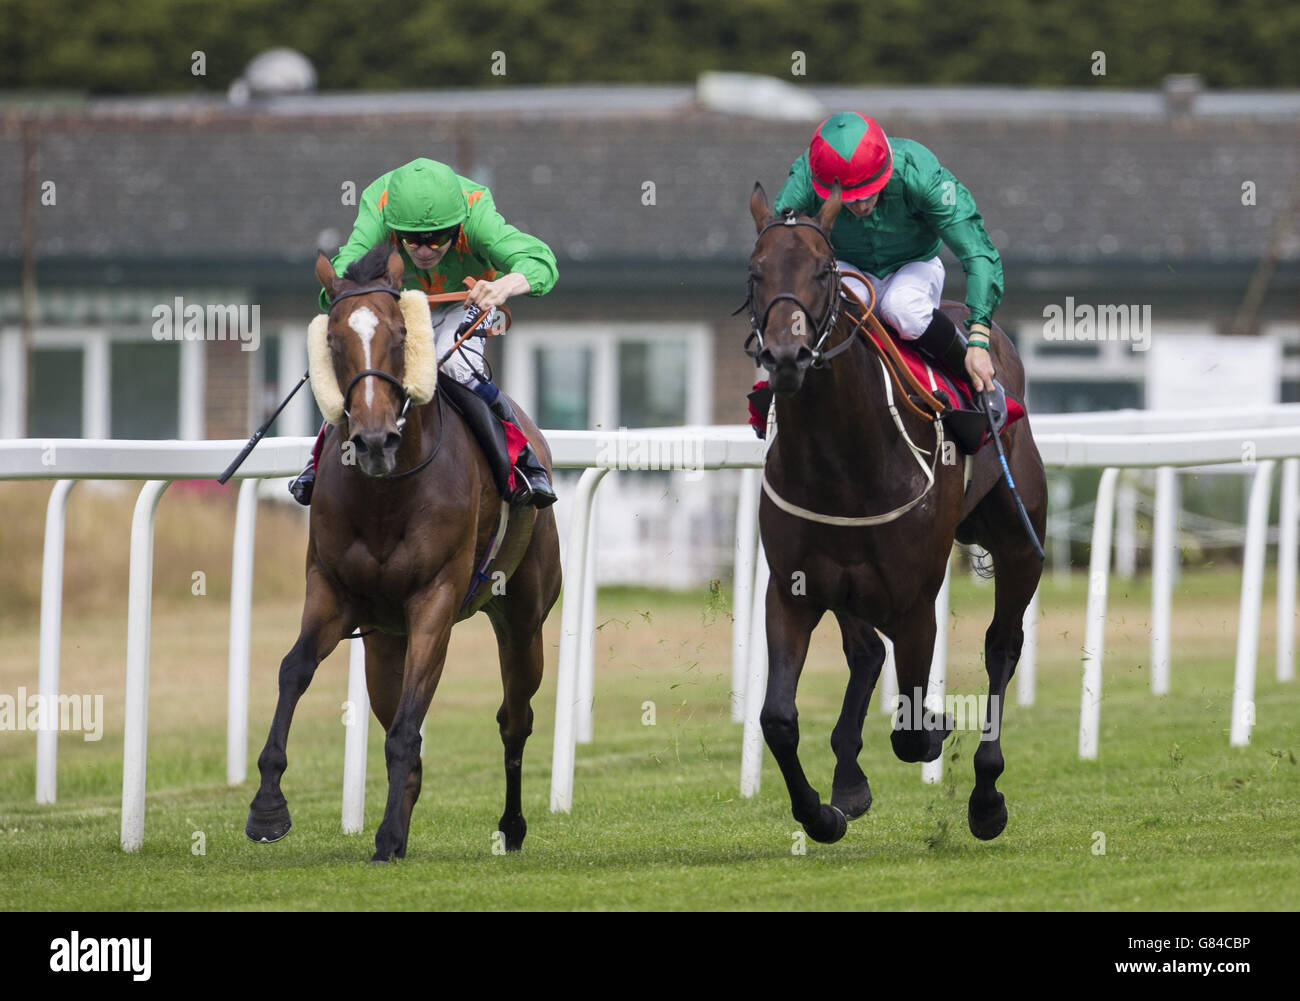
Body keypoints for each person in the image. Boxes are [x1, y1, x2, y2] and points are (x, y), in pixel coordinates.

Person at [290, 156, 558, 507]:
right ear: (394, 227)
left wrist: (503, 286)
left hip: (464, 301)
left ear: (457, 226)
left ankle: (522, 460)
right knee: (366, 362)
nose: (423, 250)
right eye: (412, 240)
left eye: (436, 240)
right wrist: (343, 292)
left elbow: (541, 261)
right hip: (399, 304)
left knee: (455, 368)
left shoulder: (476, 213)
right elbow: (346, 266)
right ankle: (318, 462)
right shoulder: (379, 205)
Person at [775, 112, 1006, 422]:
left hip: (915, 264)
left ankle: (972, 385)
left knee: (901, 309)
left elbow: (978, 253)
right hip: (846, 265)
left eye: (868, 192)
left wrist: (979, 340)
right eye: (849, 198)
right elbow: (776, 242)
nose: (859, 207)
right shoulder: (806, 178)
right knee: (842, 310)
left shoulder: (920, 175)